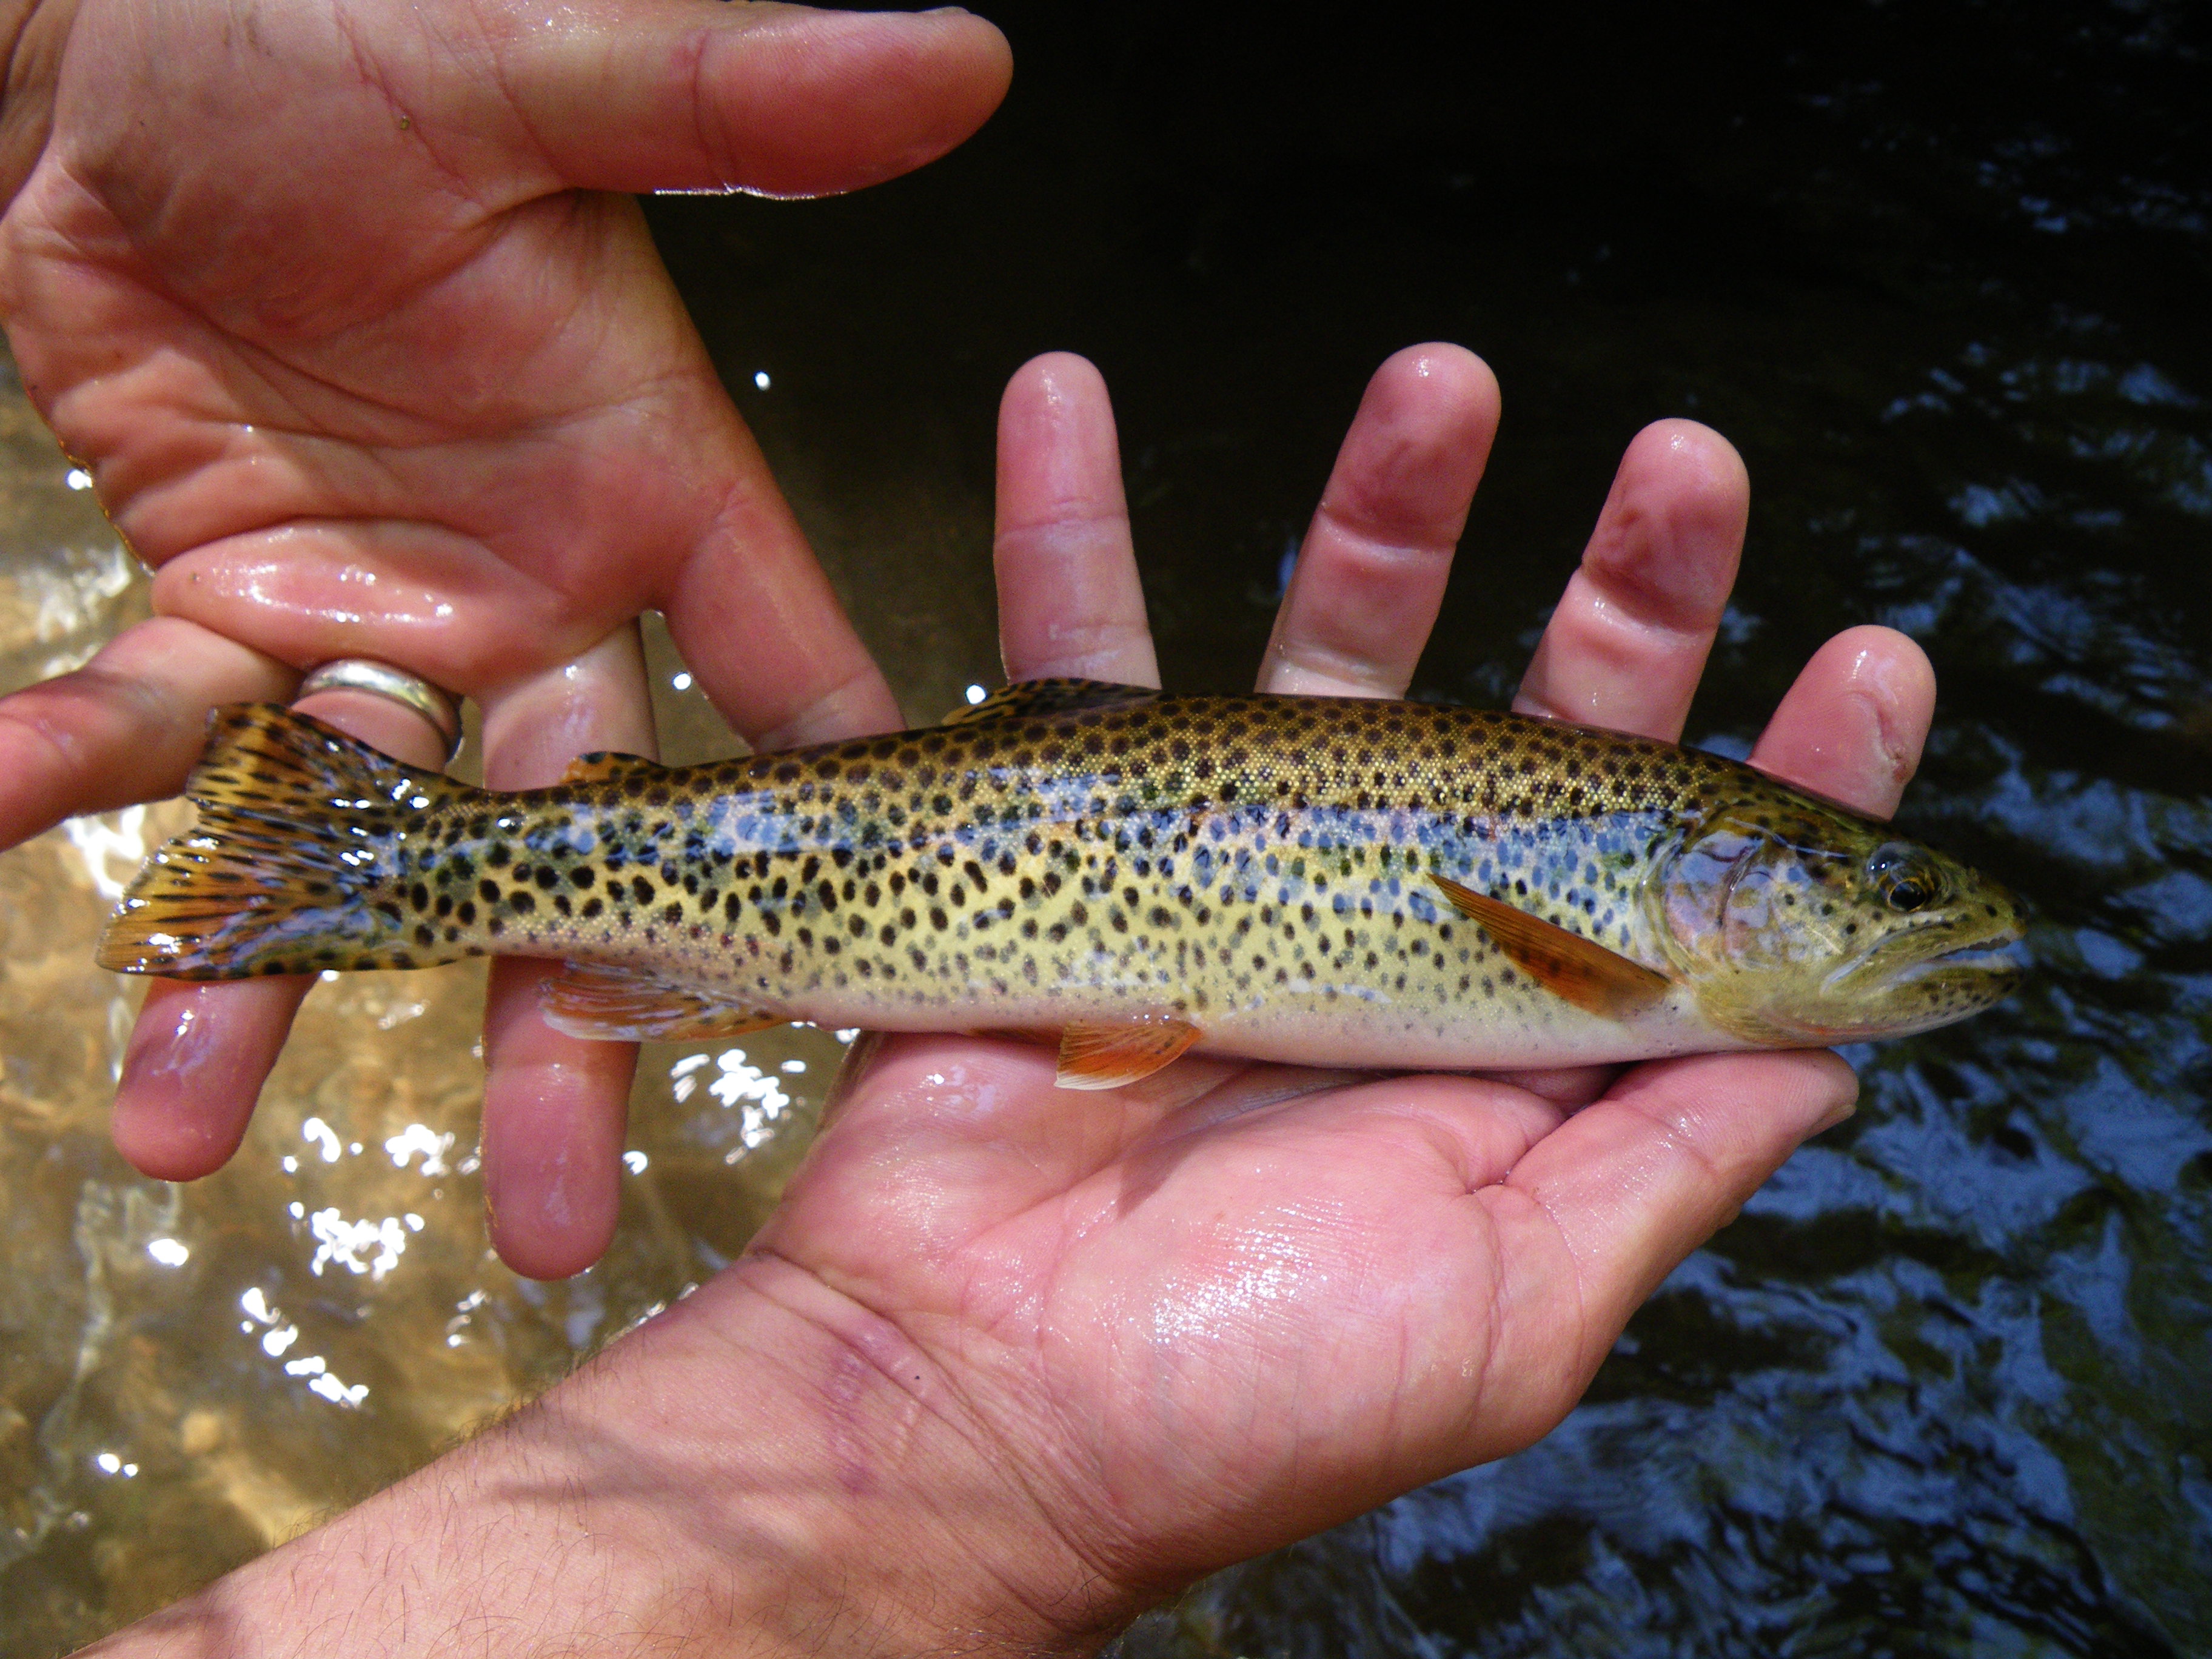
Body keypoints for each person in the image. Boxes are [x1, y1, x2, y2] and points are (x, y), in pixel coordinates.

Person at [0, 0, 1936, 1649]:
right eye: (1878, 892)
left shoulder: (1642, 948)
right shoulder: (1624, 968)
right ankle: (390, 857)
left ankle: (380, 856)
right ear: (1730, 889)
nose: (1919, 925)